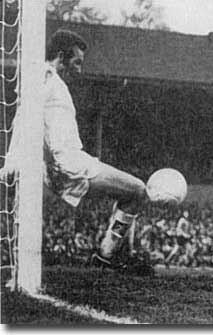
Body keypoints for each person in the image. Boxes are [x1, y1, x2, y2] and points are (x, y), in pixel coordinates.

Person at [0, 29, 154, 274]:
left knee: (133, 193)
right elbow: (25, 118)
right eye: (76, 62)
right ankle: (107, 256)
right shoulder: (46, 76)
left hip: (64, 164)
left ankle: (113, 254)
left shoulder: (49, 80)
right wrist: (12, 161)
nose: (80, 70)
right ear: (61, 57)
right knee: (137, 190)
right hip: (69, 164)